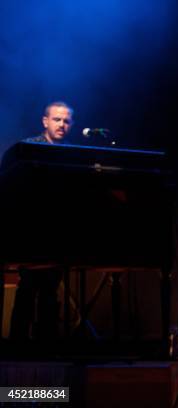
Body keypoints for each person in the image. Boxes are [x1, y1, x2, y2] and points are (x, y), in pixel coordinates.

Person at [9, 101, 74, 341]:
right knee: (27, 289)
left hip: (56, 232)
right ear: (45, 121)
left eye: (66, 121)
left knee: (50, 292)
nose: (62, 125)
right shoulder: (28, 148)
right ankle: (17, 345)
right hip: (31, 231)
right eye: (57, 119)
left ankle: (47, 345)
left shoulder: (71, 152)